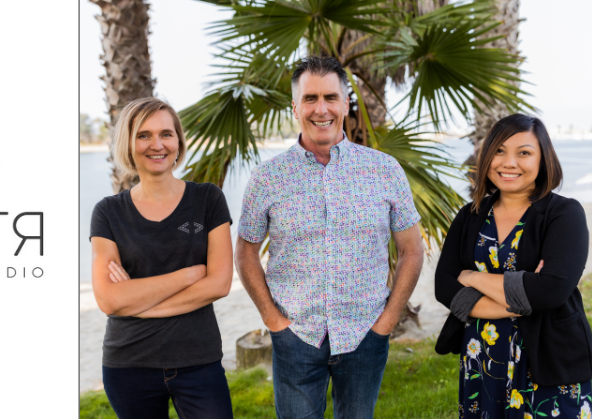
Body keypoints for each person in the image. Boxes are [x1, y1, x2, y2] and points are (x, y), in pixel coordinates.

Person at [235, 55, 424, 419]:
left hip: (365, 334)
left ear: (345, 102)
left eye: (330, 97)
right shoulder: (267, 178)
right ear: (295, 106)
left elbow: (412, 251)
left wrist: (385, 322)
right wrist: (274, 321)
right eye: (310, 98)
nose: (321, 109)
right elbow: (245, 253)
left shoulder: (384, 170)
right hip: (296, 336)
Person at [434, 114, 591, 418]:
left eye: (524, 153)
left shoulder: (565, 214)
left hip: (549, 360)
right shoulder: (470, 215)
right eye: (499, 151)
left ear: (543, 159)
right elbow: (444, 285)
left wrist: (471, 277)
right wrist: (520, 297)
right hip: (483, 359)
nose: (509, 163)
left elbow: (551, 290)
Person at [89, 97, 234, 419]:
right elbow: (110, 300)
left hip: (198, 359)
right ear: (128, 144)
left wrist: (137, 302)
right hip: (129, 364)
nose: (157, 144)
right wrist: (190, 275)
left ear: (178, 142)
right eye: (144, 135)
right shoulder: (108, 212)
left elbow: (220, 283)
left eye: (166, 134)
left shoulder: (208, 199)